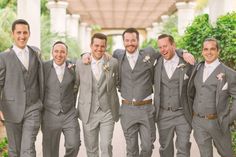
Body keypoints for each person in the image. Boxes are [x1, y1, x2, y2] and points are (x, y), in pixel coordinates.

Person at [112, 28, 194, 157]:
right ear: (123, 42)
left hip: (146, 108)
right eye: (127, 40)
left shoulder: (148, 53)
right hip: (127, 109)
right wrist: (85, 55)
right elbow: (103, 56)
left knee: (147, 147)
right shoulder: (119, 55)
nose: (130, 43)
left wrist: (183, 52)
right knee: (131, 149)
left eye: (133, 40)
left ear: (138, 41)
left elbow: (165, 51)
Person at [0, 19, 44, 157]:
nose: (22, 36)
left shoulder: (36, 53)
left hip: (33, 107)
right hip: (11, 109)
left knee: (28, 149)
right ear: (13, 34)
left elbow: (49, 69)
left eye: (25, 32)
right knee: (14, 150)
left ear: (29, 34)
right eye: (18, 32)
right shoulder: (3, 57)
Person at [187, 37, 236, 157]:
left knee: (227, 154)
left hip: (219, 122)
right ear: (202, 51)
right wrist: (183, 52)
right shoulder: (197, 68)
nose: (209, 52)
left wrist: (229, 119)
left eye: (212, 49)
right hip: (198, 121)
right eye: (206, 49)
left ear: (218, 51)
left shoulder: (229, 73)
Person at [76, 33, 120, 157]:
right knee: (91, 149)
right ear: (90, 46)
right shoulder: (80, 63)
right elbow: (75, 86)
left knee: (106, 145)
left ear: (106, 47)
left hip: (107, 111)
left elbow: (118, 82)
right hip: (88, 111)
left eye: (102, 46)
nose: (99, 49)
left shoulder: (113, 63)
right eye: (96, 46)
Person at [154, 34, 193, 157]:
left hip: (183, 114)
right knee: (165, 149)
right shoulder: (156, 63)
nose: (162, 50)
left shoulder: (187, 62)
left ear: (173, 45)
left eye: (165, 46)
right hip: (163, 114)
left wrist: (184, 52)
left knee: (184, 148)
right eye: (160, 47)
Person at [42, 41, 81, 157]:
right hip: (50, 114)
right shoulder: (44, 67)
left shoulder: (73, 67)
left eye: (62, 52)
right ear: (52, 52)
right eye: (56, 51)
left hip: (69, 113)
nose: (59, 55)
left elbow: (76, 87)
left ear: (66, 54)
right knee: (50, 151)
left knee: (74, 144)